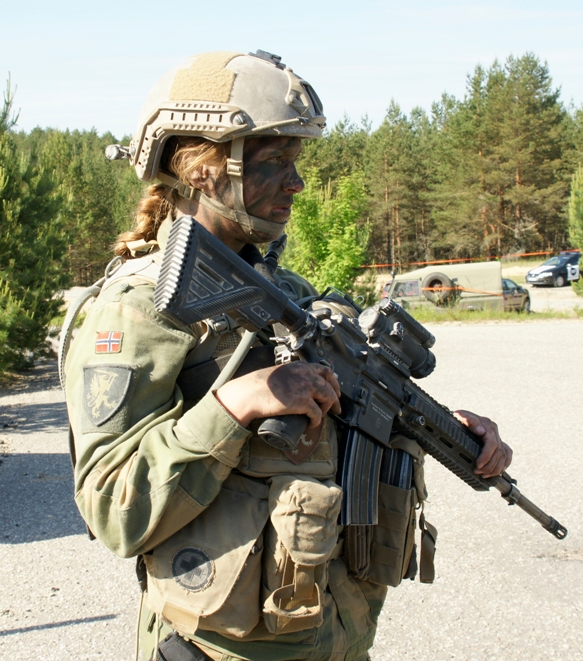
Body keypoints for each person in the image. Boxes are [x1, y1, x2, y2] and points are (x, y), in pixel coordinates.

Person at [60, 51, 512, 661]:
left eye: (295, 162)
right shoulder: (138, 308)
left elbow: (349, 422)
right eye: (273, 162)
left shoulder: (291, 296)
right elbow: (116, 511)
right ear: (202, 169)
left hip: (331, 639)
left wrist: (442, 430)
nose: (296, 183)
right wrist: (234, 404)